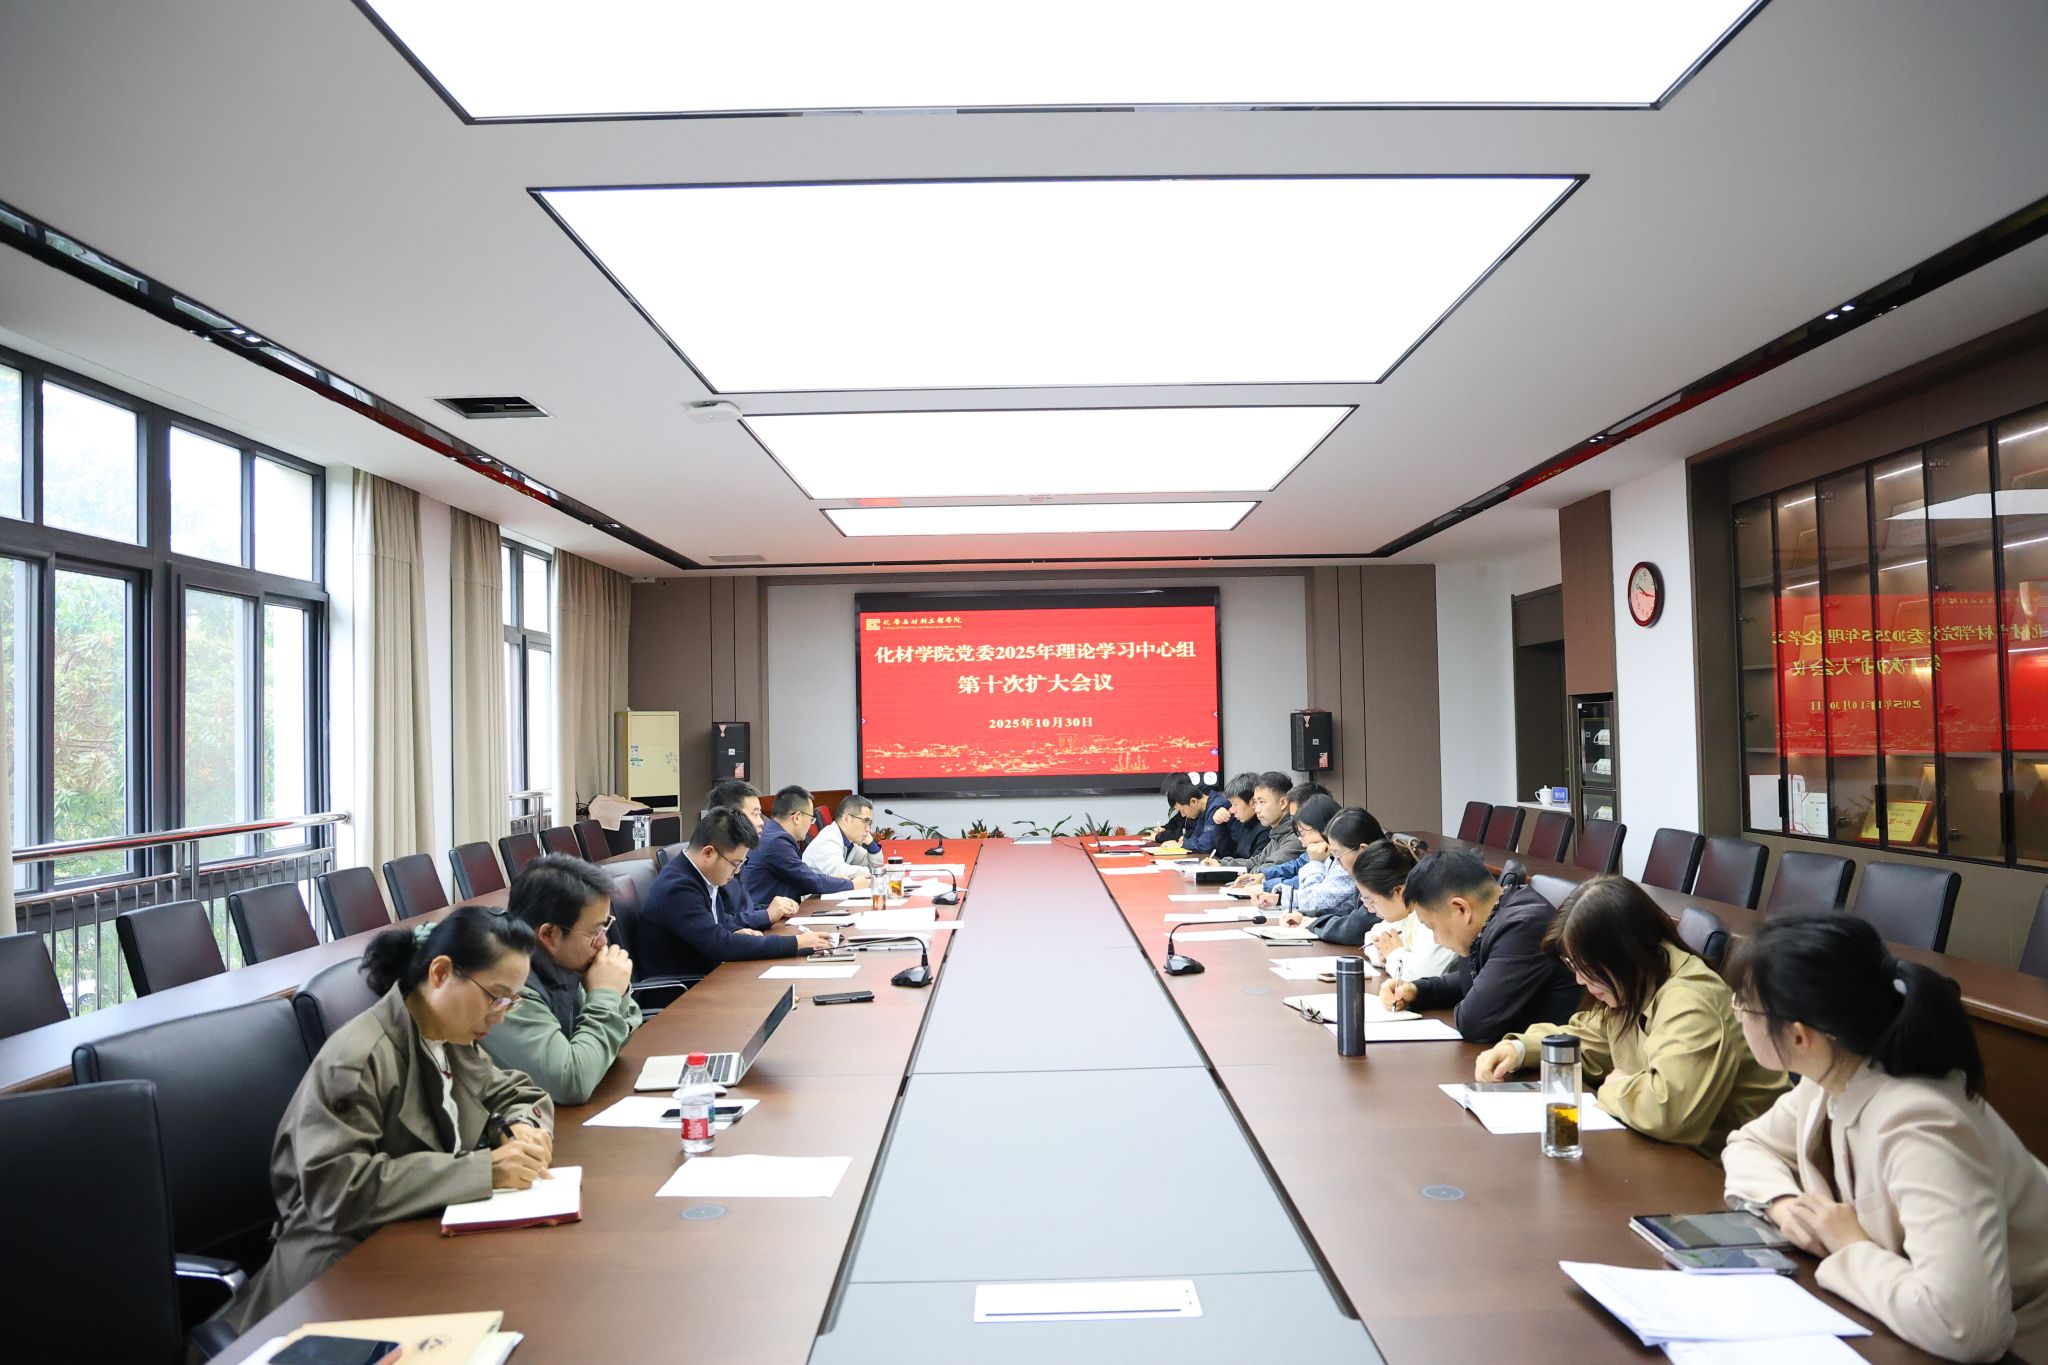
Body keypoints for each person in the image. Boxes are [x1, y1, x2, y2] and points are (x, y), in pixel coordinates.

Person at [1721, 913, 2048, 1363]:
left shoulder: (1922, 1123)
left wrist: (1850, 1246)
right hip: (1909, 1327)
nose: (1737, 1014)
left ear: (1799, 1036)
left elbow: (1965, 1327)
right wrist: (1782, 1203)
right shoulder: (1832, 1075)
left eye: (1744, 1005)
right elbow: (1749, 1145)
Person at [219, 906, 555, 1334]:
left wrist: (523, 1127)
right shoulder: (359, 1058)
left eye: (512, 1000)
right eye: (495, 996)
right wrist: (483, 1170)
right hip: (337, 1274)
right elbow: (337, 1189)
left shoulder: (447, 1034)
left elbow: (516, 1093)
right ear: (440, 973)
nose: (501, 1014)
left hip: (416, 1240)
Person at [1470, 876, 1787, 1156]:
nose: (1580, 980)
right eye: (1573, 966)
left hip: (1731, 1173)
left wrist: (1615, 1086)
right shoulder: (1635, 983)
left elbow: (1667, 1112)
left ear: (1624, 953)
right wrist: (1519, 1049)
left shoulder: (1692, 1001)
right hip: (1674, 1158)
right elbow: (1587, 1040)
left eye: (1587, 968)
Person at [482, 854, 644, 1105]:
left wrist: (613, 994)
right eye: (595, 932)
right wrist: (606, 996)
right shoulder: (505, 986)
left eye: (605, 927)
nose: (603, 942)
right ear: (549, 934)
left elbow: (624, 1030)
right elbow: (572, 1082)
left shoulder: (567, 963)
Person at [1378, 849, 1581, 1041]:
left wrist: (1466, 948)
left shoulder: (1524, 927)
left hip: (1553, 1061)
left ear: (1461, 909)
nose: (1437, 939)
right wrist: (1417, 991)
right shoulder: (1503, 910)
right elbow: (1477, 979)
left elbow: (1474, 1022)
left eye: (1432, 927)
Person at [638, 808, 834, 981]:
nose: (737, 872)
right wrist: (795, 943)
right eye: (735, 864)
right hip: (683, 992)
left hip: (710, 976)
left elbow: (717, 921)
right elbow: (719, 945)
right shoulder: (679, 888)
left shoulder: (698, 875)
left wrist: (734, 930)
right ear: (708, 853)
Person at [742, 785, 869, 908]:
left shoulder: (773, 833)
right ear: (797, 818)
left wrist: (834, 881)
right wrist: (852, 885)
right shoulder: (777, 841)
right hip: (764, 914)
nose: (811, 823)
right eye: (811, 819)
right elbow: (809, 880)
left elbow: (799, 879)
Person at [1268, 807, 1387, 931]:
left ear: (1362, 850)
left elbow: (1357, 926)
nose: (1338, 862)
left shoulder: (1381, 875)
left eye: (1338, 854)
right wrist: (1306, 916)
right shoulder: (1362, 870)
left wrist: (1312, 923)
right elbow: (1347, 909)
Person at [706, 779, 800, 931]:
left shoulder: (739, 854)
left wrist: (775, 908)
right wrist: (767, 915)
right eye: (755, 814)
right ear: (732, 816)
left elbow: (743, 909)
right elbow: (720, 922)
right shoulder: (716, 861)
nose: (761, 822)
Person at [1350, 839, 1460, 967]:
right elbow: (1371, 937)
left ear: (1398, 890)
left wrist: (1393, 955)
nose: (1370, 909)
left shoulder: (1433, 912)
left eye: (1371, 902)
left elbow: (1421, 971)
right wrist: (1384, 955)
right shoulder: (1403, 911)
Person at [1251, 794, 1342, 901]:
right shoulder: (1323, 851)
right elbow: (1297, 865)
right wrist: (1264, 875)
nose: (1303, 843)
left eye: (1303, 833)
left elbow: (1311, 898)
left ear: (1323, 827)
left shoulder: (1342, 860)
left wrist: (1315, 863)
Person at [1210, 772, 1302, 874]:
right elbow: (1256, 861)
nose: (1257, 809)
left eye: (1262, 802)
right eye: (1256, 802)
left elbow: (1269, 870)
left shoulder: (1297, 836)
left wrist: (1239, 871)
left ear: (1283, 803)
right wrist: (1222, 864)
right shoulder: (1277, 833)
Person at [805, 792, 887, 881]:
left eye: (870, 823)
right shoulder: (828, 840)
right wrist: (874, 871)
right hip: (812, 890)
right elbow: (838, 871)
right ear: (846, 819)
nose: (868, 829)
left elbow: (875, 866)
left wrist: (871, 844)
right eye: (865, 821)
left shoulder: (849, 843)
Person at [1151, 775, 1230, 855]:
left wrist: (1181, 844)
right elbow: (1196, 837)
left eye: (1182, 810)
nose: (1182, 815)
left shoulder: (1216, 807)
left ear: (1194, 801)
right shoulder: (1203, 808)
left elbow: (1206, 845)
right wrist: (1184, 842)